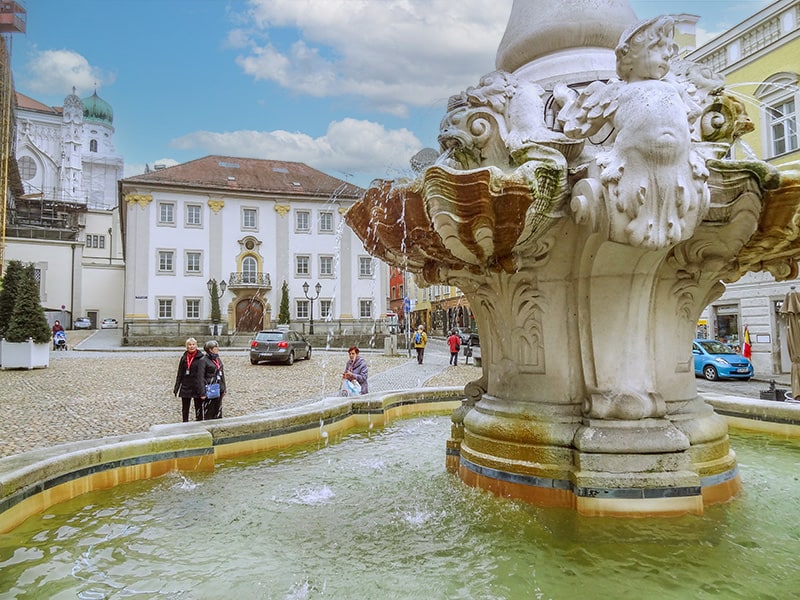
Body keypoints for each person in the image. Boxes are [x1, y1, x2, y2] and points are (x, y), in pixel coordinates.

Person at [173, 337, 206, 422]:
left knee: (198, 407)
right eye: (189, 345)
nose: (191, 346)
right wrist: (177, 387)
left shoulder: (201, 358)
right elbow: (180, 373)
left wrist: (203, 388)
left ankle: (199, 422)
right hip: (186, 385)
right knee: (185, 408)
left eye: (193, 344)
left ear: (196, 346)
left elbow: (203, 374)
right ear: (186, 346)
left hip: (197, 385)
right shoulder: (184, 357)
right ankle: (185, 422)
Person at [201, 340, 226, 419]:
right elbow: (201, 376)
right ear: (210, 350)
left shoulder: (217, 359)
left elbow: (222, 374)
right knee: (209, 410)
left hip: (218, 387)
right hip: (210, 388)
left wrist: (224, 388)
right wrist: (202, 391)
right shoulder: (204, 360)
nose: (217, 350)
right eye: (215, 349)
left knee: (218, 409)